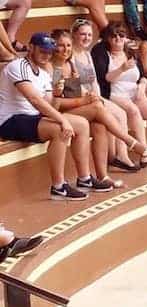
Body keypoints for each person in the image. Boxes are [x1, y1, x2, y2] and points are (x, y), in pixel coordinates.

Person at [49, 29, 147, 190]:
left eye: (68, 45)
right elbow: (55, 103)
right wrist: (84, 100)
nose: (66, 49)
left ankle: (101, 177)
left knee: (99, 126)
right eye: (61, 46)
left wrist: (87, 97)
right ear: (53, 47)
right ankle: (132, 142)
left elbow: (73, 93)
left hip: (74, 108)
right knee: (98, 107)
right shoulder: (55, 68)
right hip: (57, 113)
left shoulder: (69, 64)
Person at [0, 33, 93, 201]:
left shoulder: (43, 74)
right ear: (31, 47)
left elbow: (48, 105)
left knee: (82, 124)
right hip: (9, 120)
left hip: (32, 117)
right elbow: (34, 99)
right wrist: (62, 119)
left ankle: (85, 178)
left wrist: (56, 93)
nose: (46, 55)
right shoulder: (18, 66)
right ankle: (58, 186)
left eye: (49, 52)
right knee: (59, 129)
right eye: (42, 51)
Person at [71, 18, 142, 173]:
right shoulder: (70, 56)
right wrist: (91, 97)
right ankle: (124, 150)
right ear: (74, 35)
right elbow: (69, 86)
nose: (86, 38)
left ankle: (121, 155)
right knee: (112, 116)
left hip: (93, 97)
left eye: (89, 35)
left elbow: (94, 81)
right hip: (79, 99)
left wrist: (97, 96)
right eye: (83, 34)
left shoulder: (87, 54)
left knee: (121, 114)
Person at [93, 22, 147, 165]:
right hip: (116, 92)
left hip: (134, 91)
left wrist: (142, 86)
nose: (118, 39)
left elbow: (143, 75)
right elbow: (106, 78)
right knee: (134, 111)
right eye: (114, 36)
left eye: (121, 35)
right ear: (108, 39)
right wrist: (122, 68)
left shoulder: (130, 53)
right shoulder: (104, 54)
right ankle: (144, 151)